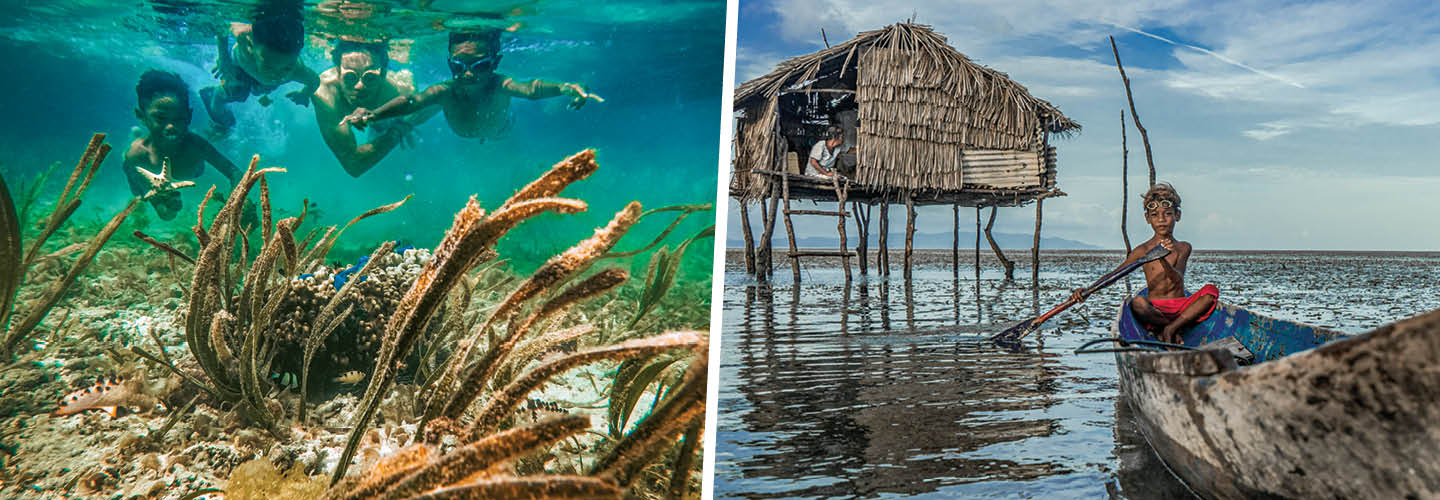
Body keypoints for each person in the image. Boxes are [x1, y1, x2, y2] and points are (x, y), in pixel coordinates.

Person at [339, 30, 602, 141]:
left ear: (495, 62)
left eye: (479, 66)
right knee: (421, 109)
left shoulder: (499, 84)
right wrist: (374, 115)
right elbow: (411, 102)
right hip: (471, 133)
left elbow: (531, 89)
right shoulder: (445, 90)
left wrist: (566, 87)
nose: (467, 74)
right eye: (458, 66)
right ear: (449, 63)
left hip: (502, 132)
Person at [1071, 182, 1219, 344]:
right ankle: (1168, 327)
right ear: (1147, 218)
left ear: (1177, 216)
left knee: (1210, 291)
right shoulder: (1142, 250)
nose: (1161, 219)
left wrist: (1161, 258)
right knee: (1138, 303)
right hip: (1155, 309)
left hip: (1181, 307)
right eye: (1155, 215)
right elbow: (1116, 274)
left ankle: (1170, 329)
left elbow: (1177, 279)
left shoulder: (1183, 247)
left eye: (1167, 214)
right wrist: (1088, 290)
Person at [124, 70, 243, 220]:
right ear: (141, 116)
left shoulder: (196, 145)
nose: (171, 126)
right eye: (160, 118)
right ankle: (134, 134)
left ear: (189, 116)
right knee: (143, 195)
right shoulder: (137, 154)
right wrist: (161, 204)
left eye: (179, 118)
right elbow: (148, 195)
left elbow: (235, 173)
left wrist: (231, 209)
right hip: (147, 170)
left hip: (195, 171)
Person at [312, 39, 431, 177]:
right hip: (386, 118)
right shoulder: (325, 92)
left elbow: (433, 104)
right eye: (350, 76)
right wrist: (395, 133)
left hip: (390, 111)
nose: (359, 86)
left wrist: (403, 125)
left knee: (407, 119)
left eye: (370, 77)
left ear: (383, 74)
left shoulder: (400, 90)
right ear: (338, 72)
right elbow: (353, 165)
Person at [199, 4, 321, 137]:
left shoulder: (297, 70)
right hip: (240, 69)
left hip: (262, 82)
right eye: (269, 66)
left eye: (287, 67)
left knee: (260, 90)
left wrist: (304, 94)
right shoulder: (243, 35)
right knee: (224, 97)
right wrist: (224, 58)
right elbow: (221, 23)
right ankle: (221, 124)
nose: (277, 75)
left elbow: (315, 81)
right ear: (251, 44)